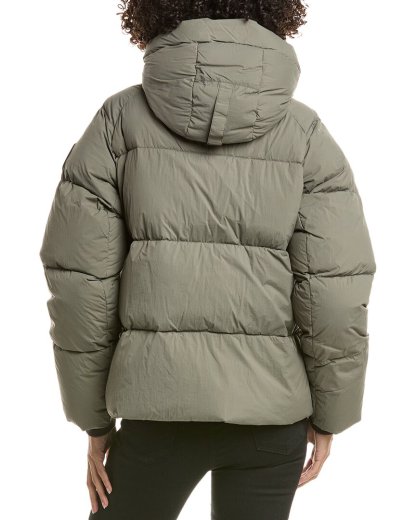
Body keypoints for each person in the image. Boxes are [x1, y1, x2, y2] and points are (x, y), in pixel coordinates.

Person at [39, 1, 376, 519]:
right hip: (270, 416)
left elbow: (81, 283)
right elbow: (334, 291)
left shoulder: (118, 122)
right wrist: (331, 412)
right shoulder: (306, 135)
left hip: (156, 413)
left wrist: (95, 421)